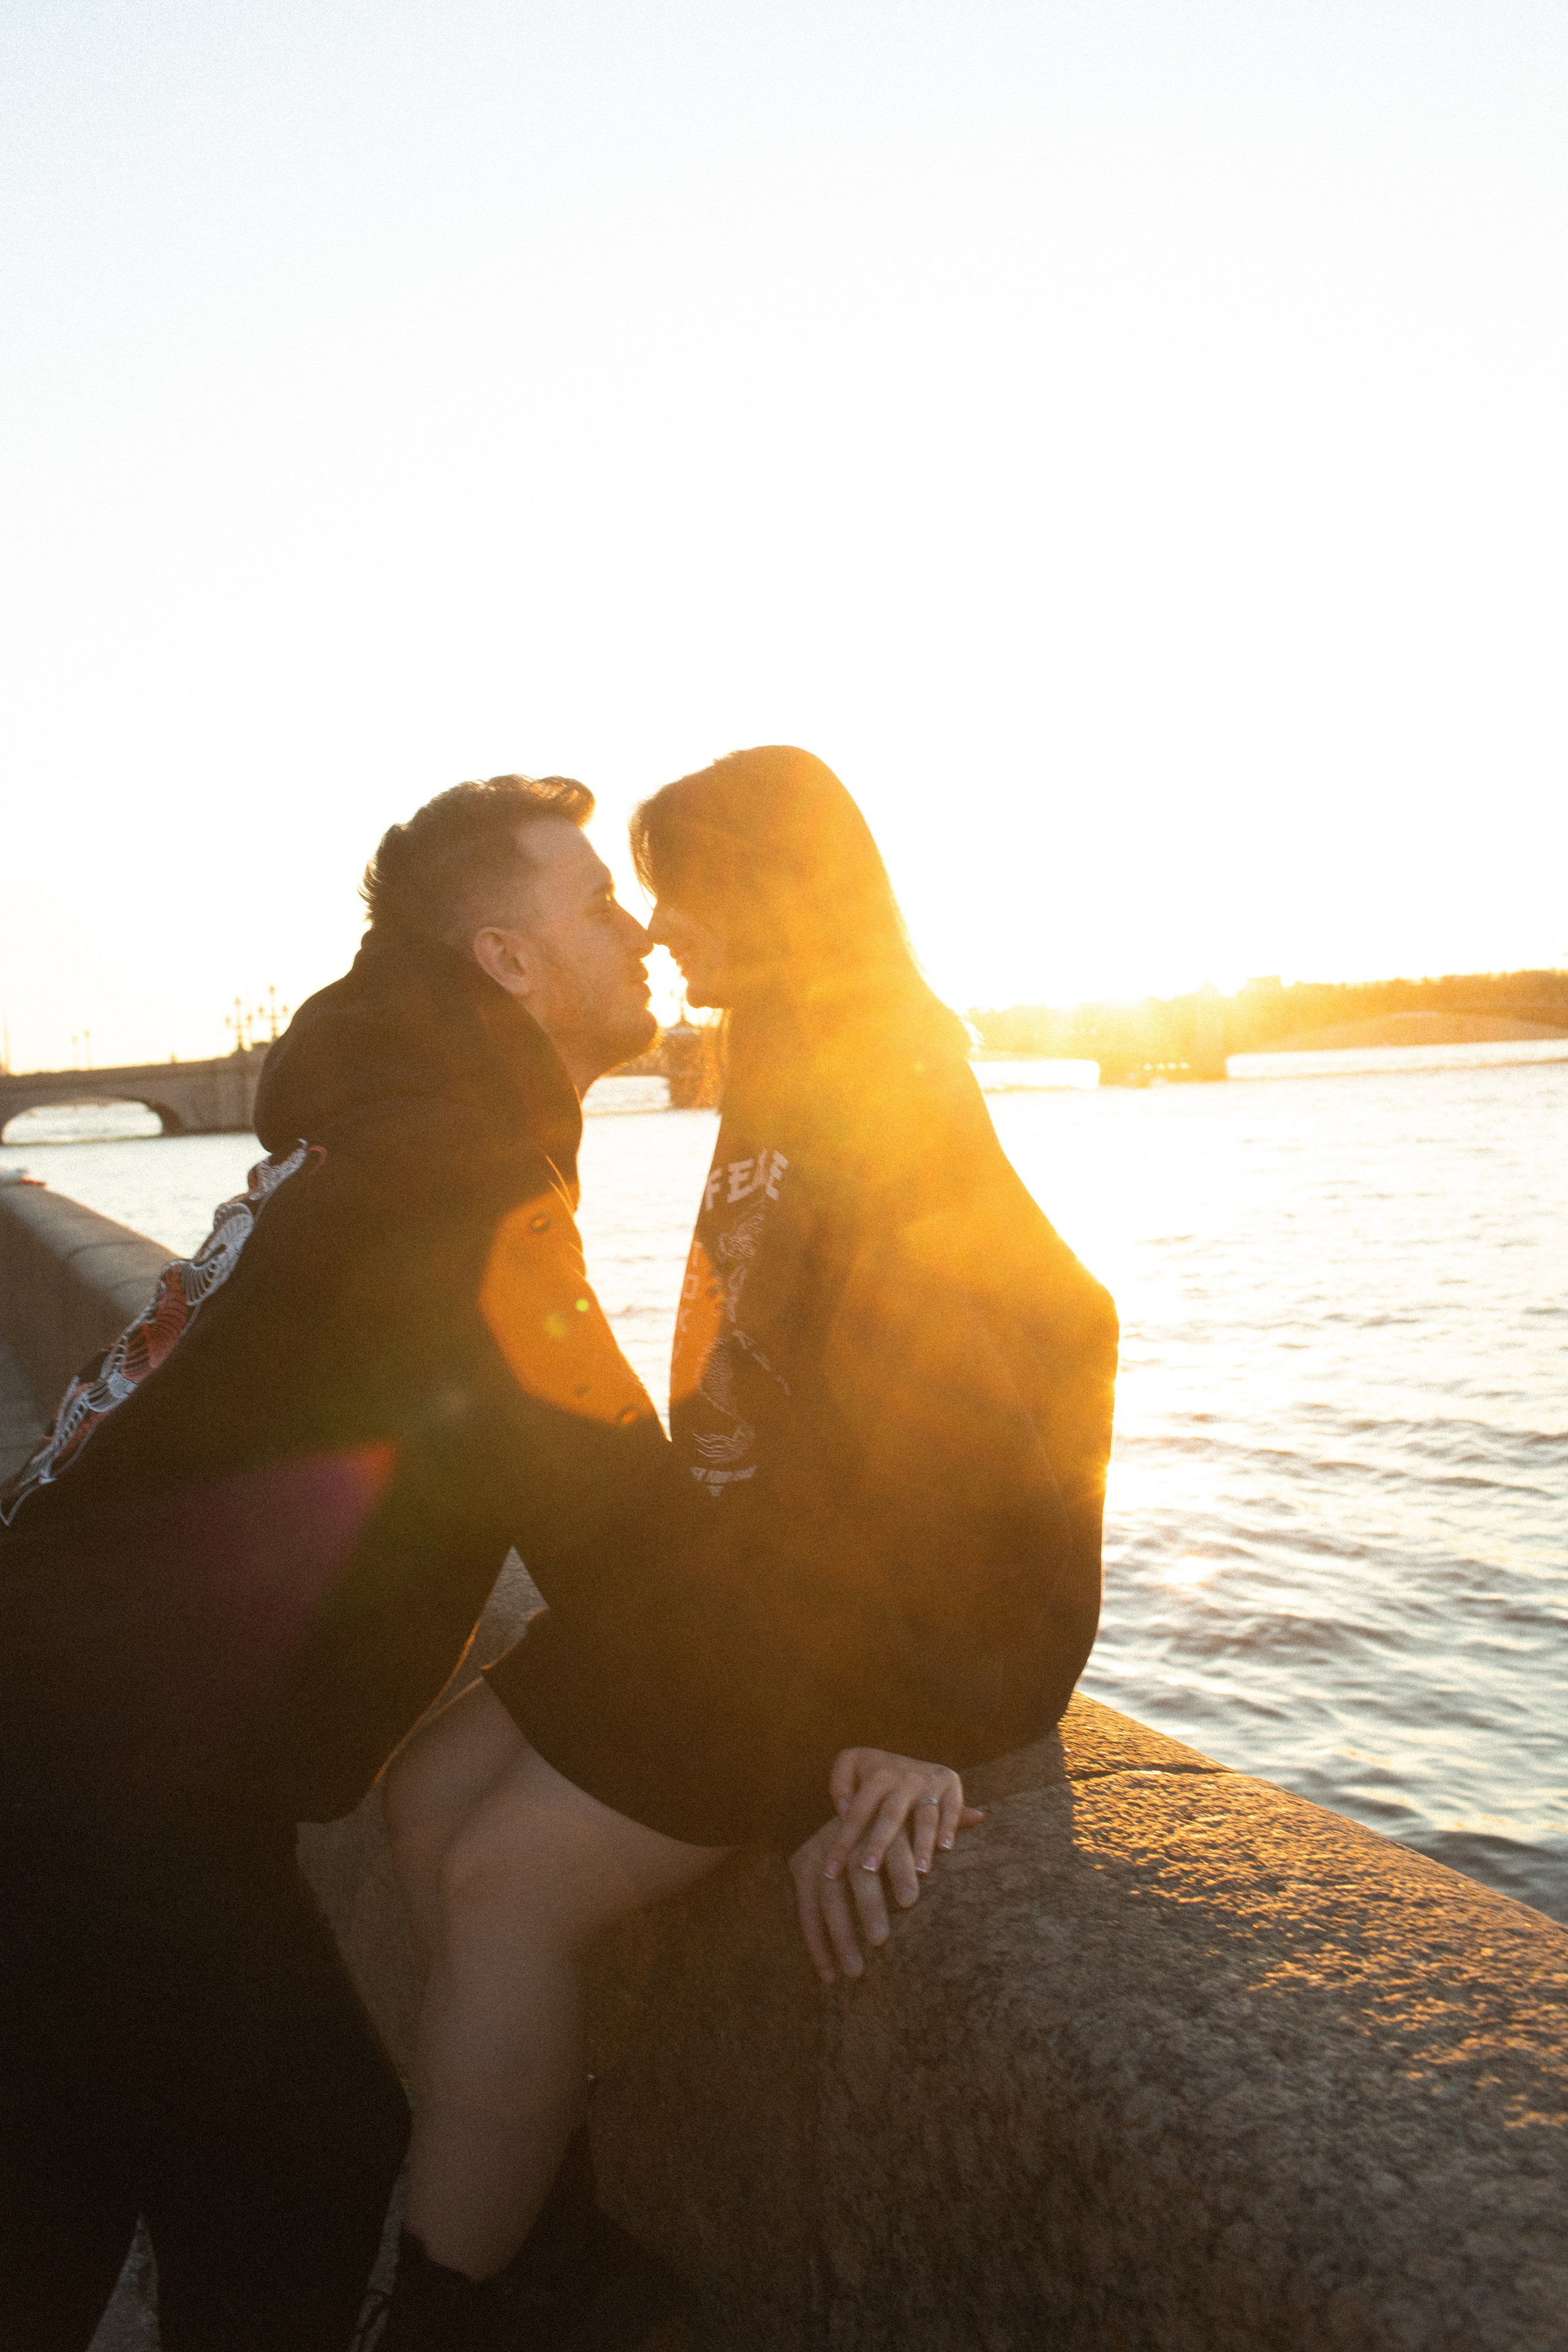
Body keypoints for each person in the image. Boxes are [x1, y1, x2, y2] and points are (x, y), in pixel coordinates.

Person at [382, 746, 1119, 2345]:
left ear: (771, 896)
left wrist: (936, 1721)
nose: (659, 929)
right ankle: (531, 2180)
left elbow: (987, 1397)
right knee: (428, 1793)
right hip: (717, 1581)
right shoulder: (782, 1059)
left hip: (808, 1632)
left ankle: (459, 2300)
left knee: (505, 1881)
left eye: (681, 888)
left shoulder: (885, 1070)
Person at [0, 774, 697, 2352]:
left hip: (72, 1744)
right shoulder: (459, 1175)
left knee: (69, 2179)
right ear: (509, 957)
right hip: (101, 1778)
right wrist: (886, 1675)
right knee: (298, 2163)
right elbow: (625, 1536)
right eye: (598, 900)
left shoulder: (373, 1139)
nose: (639, 924)